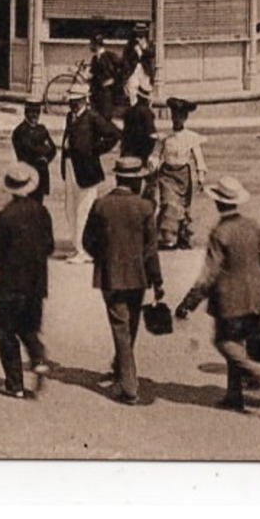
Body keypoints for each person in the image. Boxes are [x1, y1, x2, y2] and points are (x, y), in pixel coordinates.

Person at [175, 175, 260, 411]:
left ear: (218, 203)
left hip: (230, 298)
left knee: (224, 341)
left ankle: (252, 370)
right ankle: (234, 394)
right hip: (255, 292)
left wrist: (188, 303)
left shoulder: (220, 232)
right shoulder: (252, 225)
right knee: (238, 340)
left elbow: (209, 274)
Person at [82, 154, 164, 405]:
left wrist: (104, 257)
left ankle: (128, 384)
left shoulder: (101, 205)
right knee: (130, 326)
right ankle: (123, 369)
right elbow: (151, 250)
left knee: (120, 327)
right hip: (138, 276)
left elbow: (87, 241)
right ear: (136, 181)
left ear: (118, 177)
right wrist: (158, 281)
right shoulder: (145, 207)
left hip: (111, 276)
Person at [0, 163, 54, 399]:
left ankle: (14, 385)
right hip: (36, 283)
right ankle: (38, 357)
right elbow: (49, 246)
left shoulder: (4, 216)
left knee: (6, 333)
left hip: (10, 284)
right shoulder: (42, 212)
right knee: (29, 328)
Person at [61, 86, 120, 263]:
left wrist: (94, 150)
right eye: (71, 101)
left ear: (83, 100)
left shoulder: (92, 117)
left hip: (87, 169)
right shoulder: (70, 117)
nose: (73, 104)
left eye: (76, 101)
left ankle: (84, 249)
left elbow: (113, 134)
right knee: (70, 208)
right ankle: (77, 246)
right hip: (71, 166)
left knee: (83, 210)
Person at [154, 96, 208, 250]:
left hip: (183, 175)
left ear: (185, 118)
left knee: (183, 207)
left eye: (180, 117)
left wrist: (201, 176)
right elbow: (157, 154)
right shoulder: (165, 137)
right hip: (167, 175)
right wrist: (153, 163)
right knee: (168, 204)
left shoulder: (191, 137)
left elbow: (198, 157)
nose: (176, 120)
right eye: (174, 116)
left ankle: (181, 236)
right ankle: (166, 238)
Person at [9, 100, 56, 201]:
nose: (35, 115)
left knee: (39, 205)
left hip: (41, 175)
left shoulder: (42, 129)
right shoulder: (20, 131)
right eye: (32, 112)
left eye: (37, 112)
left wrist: (45, 158)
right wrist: (44, 149)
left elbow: (53, 149)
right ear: (26, 112)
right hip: (27, 174)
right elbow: (28, 150)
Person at [119, 82, 158, 202]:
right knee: (152, 182)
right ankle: (146, 207)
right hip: (142, 154)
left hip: (127, 152)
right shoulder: (147, 112)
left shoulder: (129, 111)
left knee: (130, 183)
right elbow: (151, 136)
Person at [87, 34, 120, 120]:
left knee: (105, 118)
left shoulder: (110, 56)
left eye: (91, 44)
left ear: (96, 45)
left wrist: (114, 80)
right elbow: (93, 74)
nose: (90, 46)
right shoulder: (95, 58)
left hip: (106, 93)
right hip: (95, 93)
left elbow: (124, 68)